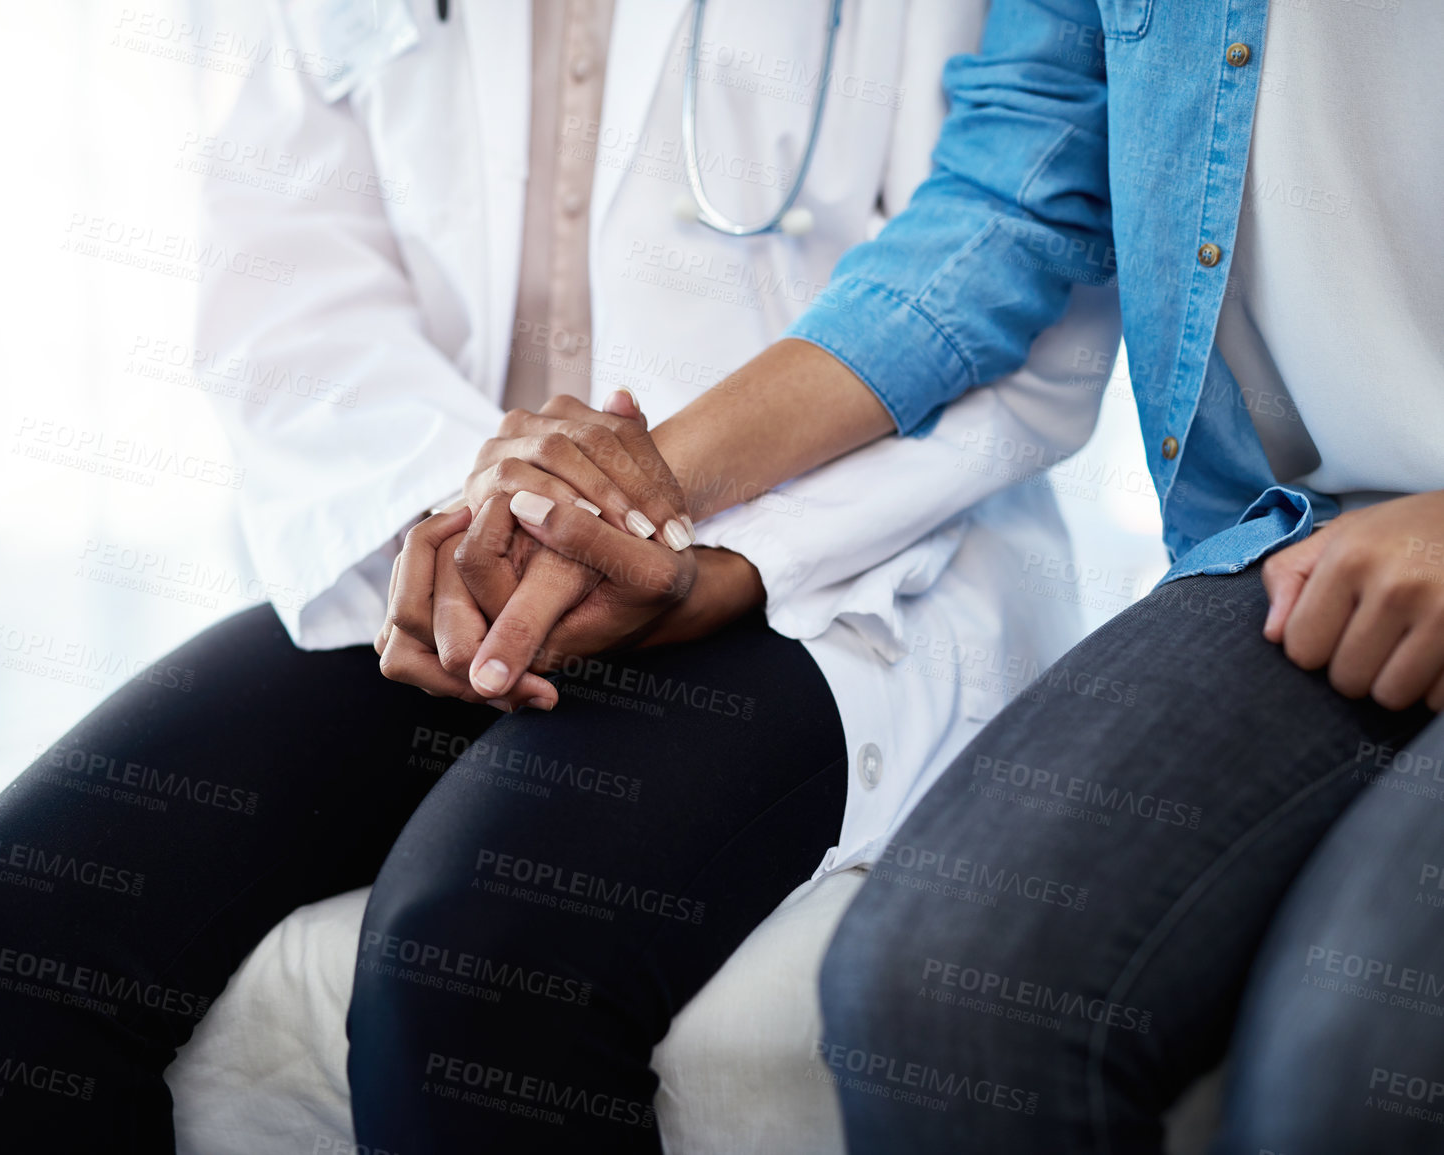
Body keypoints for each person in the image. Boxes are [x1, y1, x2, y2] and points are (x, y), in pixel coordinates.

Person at [0, 2, 1119, 1153]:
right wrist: (483, 529)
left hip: (831, 560)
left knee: (475, 958)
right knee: (3, 923)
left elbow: (1027, 280)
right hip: (449, 532)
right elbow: (289, 276)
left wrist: (709, 558)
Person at [489, 0, 1443, 1150]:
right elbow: (1012, 204)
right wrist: (630, 497)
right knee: (938, 997)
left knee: (1353, 1066)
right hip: (1290, 536)